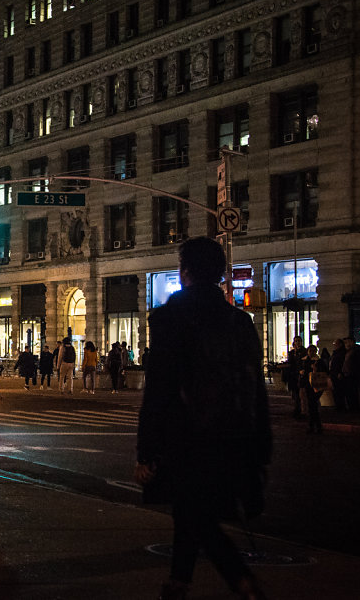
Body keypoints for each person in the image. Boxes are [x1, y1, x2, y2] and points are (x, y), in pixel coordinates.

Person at [135, 237, 270, 600]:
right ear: (221, 275)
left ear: (185, 273)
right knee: (191, 509)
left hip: (188, 436)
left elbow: (159, 389)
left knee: (195, 512)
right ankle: (178, 582)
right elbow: (255, 388)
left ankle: (242, 580)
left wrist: (146, 450)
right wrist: (261, 449)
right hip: (236, 436)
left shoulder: (170, 318)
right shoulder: (241, 322)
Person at [300, 344, 324, 434]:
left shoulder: (319, 361)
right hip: (308, 385)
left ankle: (314, 426)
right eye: (310, 351)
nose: (311, 353)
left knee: (313, 406)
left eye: (313, 351)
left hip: (316, 385)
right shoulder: (305, 361)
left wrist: (315, 370)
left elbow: (323, 372)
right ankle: (316, 426)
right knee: (312, 406)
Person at [342, 336, 360, 412]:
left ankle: (354, 407)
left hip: (353, 374)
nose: (346, 344)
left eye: (347, 342)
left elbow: (359, 363)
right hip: (350, 374)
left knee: (353, 392)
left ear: (352, 342)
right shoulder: (350, 350)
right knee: (350, 392)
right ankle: (353, 407)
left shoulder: (356, 350)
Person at [328, 338, 347, 411]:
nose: (334, 345)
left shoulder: (341, 353)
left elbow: (342, 364)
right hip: (334, 373)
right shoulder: (336, 352)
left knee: (339, 391)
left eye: (335, 344)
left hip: (338, 373)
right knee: (336, 391)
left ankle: (341, 406)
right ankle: (338, 406)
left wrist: (340, 372)